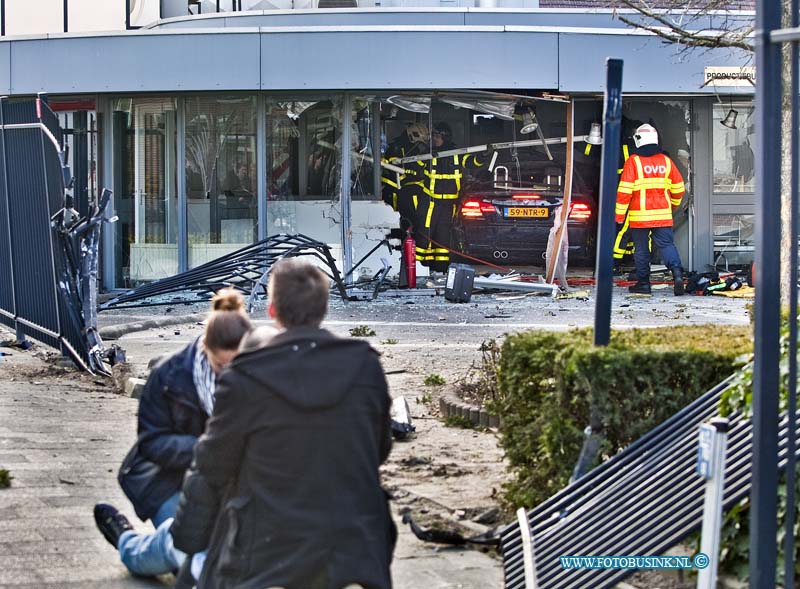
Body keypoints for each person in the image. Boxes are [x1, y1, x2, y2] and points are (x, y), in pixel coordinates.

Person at [172, 258, 395, 589]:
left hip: (266, 548)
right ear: (324, 309)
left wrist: (188, 538)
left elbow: (213, 464)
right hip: (355, 544)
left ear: (273, 310)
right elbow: (379, 449)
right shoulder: (365, 367)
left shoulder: (245, 377)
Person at [92, 289, 252, 578]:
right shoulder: (170, 375)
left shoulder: (255, 375)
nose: (228, 373)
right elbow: (151, 442)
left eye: (236, 364)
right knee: (188, 554)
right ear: (206, 347)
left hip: (225, 485)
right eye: (220, 365)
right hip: (165, 479)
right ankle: (128, 544)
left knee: (224, 559)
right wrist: (206, 449)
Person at [616, 123, 686, 295]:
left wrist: (619, 216)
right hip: (662, 214)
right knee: (667, 245)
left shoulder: (634, 162)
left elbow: (624, 192)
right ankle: (677, 274)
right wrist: (673, 205)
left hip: (640, 216)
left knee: (641, 250)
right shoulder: (666, 161)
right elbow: (679, 188)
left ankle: (644, 284)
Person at [415, 122, 486, 273]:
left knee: (443, 235)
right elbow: (413, 165)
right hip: (430, 201)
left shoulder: (457, 153)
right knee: (425, 232)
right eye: (433, 136)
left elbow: (472, 162)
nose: (434, 139)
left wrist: (483, 155)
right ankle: (419, 268)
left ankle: (440, 268)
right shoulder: (428, 153)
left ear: (445, 137)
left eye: (437, 136)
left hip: (448, 203)